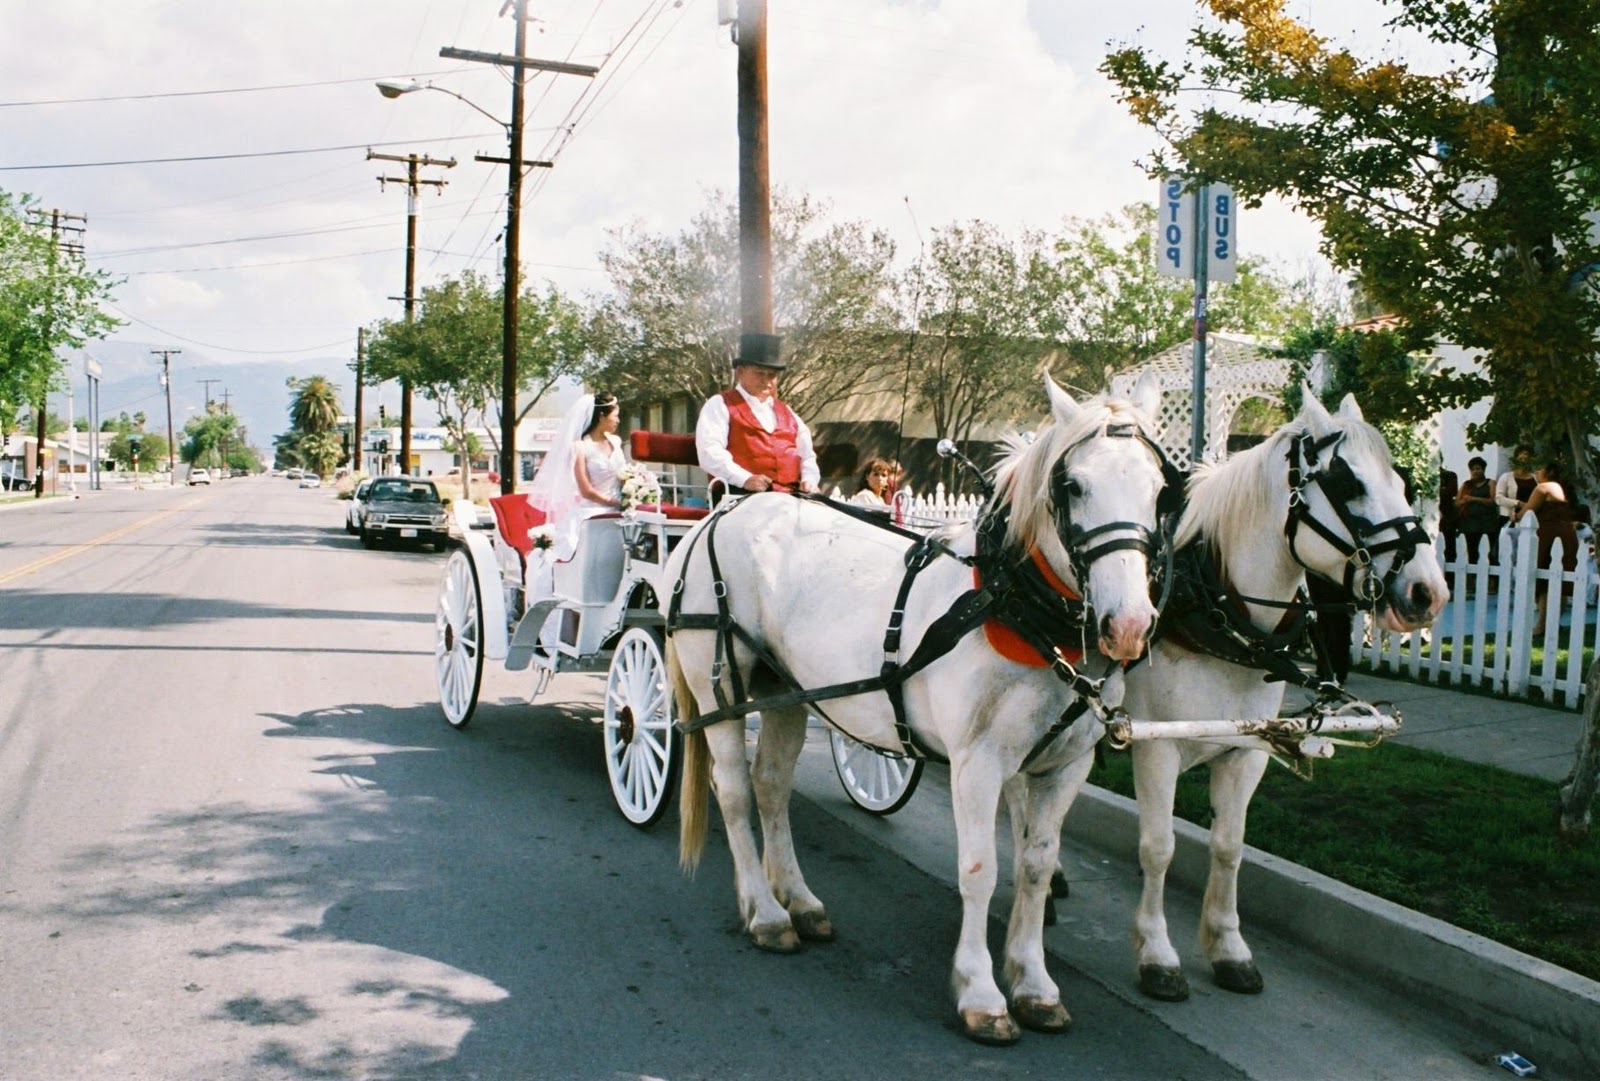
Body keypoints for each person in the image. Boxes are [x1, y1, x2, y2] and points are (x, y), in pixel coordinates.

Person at [695, 344, 820, 497]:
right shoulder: (719, 404)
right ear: (741, 372)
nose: (766, 380)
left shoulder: (787, 411)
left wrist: (809, 479)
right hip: (739, 495)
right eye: (759, 373)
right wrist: (745, 479)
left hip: (791, 497)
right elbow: (710, 452)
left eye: (771, 375)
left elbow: (807, 455)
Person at [527, 391, 626, 571]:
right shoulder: (580, 447)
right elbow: (585, 490)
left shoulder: (617, 442)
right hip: (593, 510)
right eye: (615, 416)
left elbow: (624, 476)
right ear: (602, 416)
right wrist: (616, 503)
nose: (618, 420)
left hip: (620, 507)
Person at [1514, 458, 1579, 639]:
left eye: (1540, 468)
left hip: (1550, 535)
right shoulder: (1562, 487)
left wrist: (1515, 515)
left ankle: (1541, 625)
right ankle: (1553, 622)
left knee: (1545, 580)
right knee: (1560, 579)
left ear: (1549, 472)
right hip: (1565, 534)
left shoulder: (1543, 487)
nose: (1536, 471)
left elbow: (1528, 510)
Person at [1454, 456, 1501, 586]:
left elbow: (1493, 501)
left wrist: (1474, 499)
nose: (1475, 471)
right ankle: (1472, 583)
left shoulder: (1490, 483)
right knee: (1471, 553)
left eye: (1478, 468)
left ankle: (1491, 582)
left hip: (1487, 524)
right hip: (1469, 524)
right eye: (1473, 469)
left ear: (1483, 469)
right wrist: (1465, 500)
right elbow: (1457, 503)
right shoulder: (1466, 485)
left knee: (1488, 552)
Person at [1495, 443, 1537, 522]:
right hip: (1510, 519)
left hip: (1532, 518)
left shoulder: (1536, 478)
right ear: (1516, 458)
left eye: (1527, 455)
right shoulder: (1506, 477)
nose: (1524, 458)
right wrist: (1518, 503)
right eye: (1521, 456)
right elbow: (1499, 498)